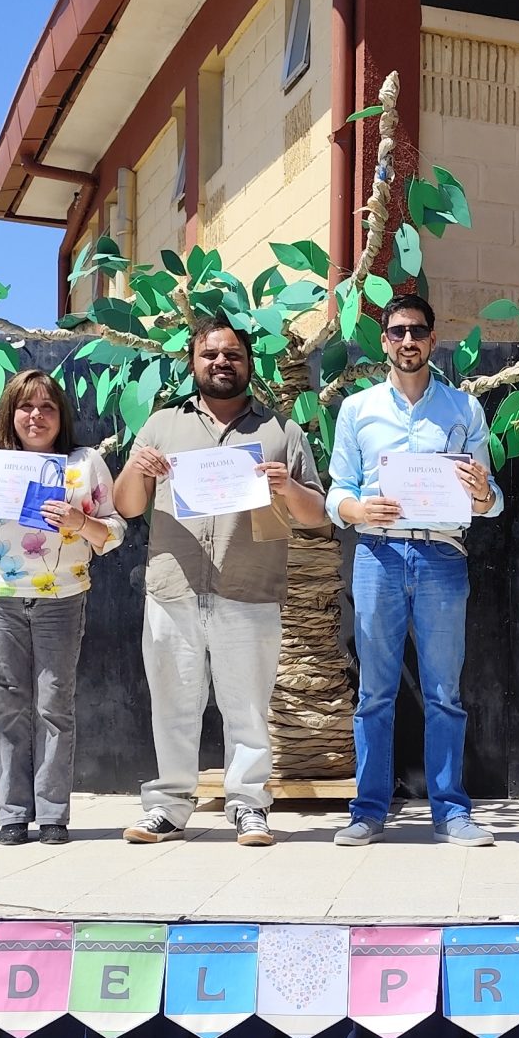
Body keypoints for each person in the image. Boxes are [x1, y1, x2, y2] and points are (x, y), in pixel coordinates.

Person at [113, 319, 326, 847]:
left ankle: (249, 806)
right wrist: (138, 469)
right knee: (173, 705)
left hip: (249, 588)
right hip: (173, 589)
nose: (220, 363)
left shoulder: (280, 431)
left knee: (248, 707)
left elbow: (318, 515)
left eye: (231, 354)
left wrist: (288, 486)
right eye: (209, 355)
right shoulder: (162, 426)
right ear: (193, 363)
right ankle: (168, 806)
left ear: (249, 364)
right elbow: (127, 506)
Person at [325, 290, 502, 847]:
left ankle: (451, 811)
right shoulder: (357, 410)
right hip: (377, 554)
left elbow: (491, 497)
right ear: (384, 341)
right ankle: (368, 809)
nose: (407, 340)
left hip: (442, 557)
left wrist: (481, 496)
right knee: (374, 692)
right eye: (397, 331)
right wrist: (357, 510)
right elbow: (338, 492)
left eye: (417, 331)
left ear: (433, 337)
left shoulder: (464, 409)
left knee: (444, 692)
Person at [0, 370, 122, 846]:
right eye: (26, 407)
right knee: (7, 705)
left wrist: (80, 521)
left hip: (63, 597)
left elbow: (114, 531)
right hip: (1, 594)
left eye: (47, 407)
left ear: (60, 415)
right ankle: (11, 813)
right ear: (11, 414)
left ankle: (52, 814)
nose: (36, 416)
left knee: (54, 707)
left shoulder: (84, 463)